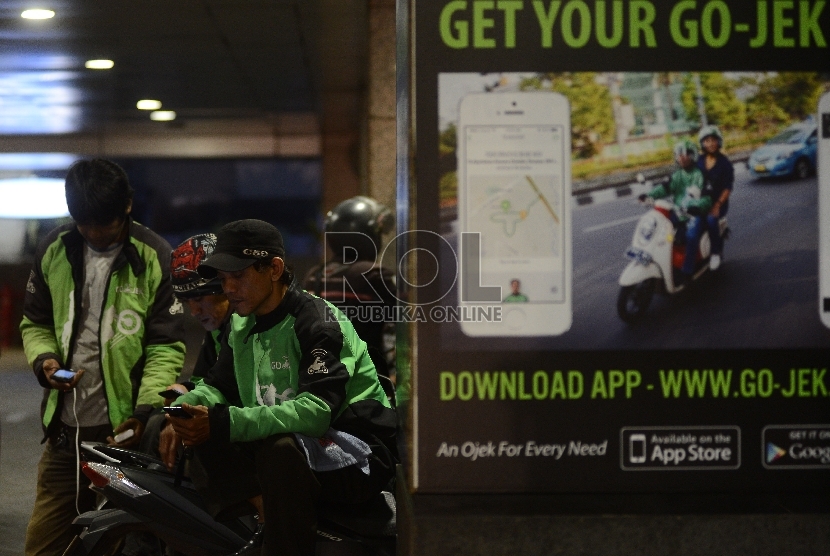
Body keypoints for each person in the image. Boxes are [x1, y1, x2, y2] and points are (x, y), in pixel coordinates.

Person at [160, 219, 398, 556]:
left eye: (238, 276)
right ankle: (265, 513)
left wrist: (224, 422)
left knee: (278, 448)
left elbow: (316, 414)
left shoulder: (317, 322)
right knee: (201, 431)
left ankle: (280, 542)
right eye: (224, 279)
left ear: (273, 269)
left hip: (355, 450)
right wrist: (189, 406)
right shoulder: (242, 322)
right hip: (299, 443)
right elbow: (217, 384)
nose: (228, 288)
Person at [20, 159, 186, 556]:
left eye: (104, 225)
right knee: (43, 545)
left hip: (124, 436)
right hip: (65, 430)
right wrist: (45, 362)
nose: (94, 234)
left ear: (127, 206)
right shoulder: (53, 250)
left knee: (122, 544)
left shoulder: (155, 256)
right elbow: (35, 323)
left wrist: (144, 413)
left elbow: (165, 347)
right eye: (84, 224)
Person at [302, 196, 396, 379]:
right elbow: (407, 323)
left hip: (326, 376)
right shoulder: (374, 275)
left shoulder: (316, 276)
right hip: (367, 378)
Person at [644, 140, 712, 284]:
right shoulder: (677, 175)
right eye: (679, 154)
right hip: (678, 212)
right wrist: (649, 196)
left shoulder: (701, 175)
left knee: (691, 236)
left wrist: (696, 206)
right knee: (659, 232)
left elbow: (707, 199)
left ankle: (687, 271)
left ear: (693, 156)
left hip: (694, 214)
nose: (682, 157)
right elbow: (664, 188)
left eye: (686, 154)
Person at [697, 125, 734, 270]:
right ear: (702, 143)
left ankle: (715, 253)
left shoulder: (725, 163)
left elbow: (728, 187)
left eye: (713, 140)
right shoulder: (699, 160)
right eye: (707, 140)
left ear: (718, 142)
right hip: (700, 201)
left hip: (718, 202)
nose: (711, 143)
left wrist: (717, 205)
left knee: (711, 219)